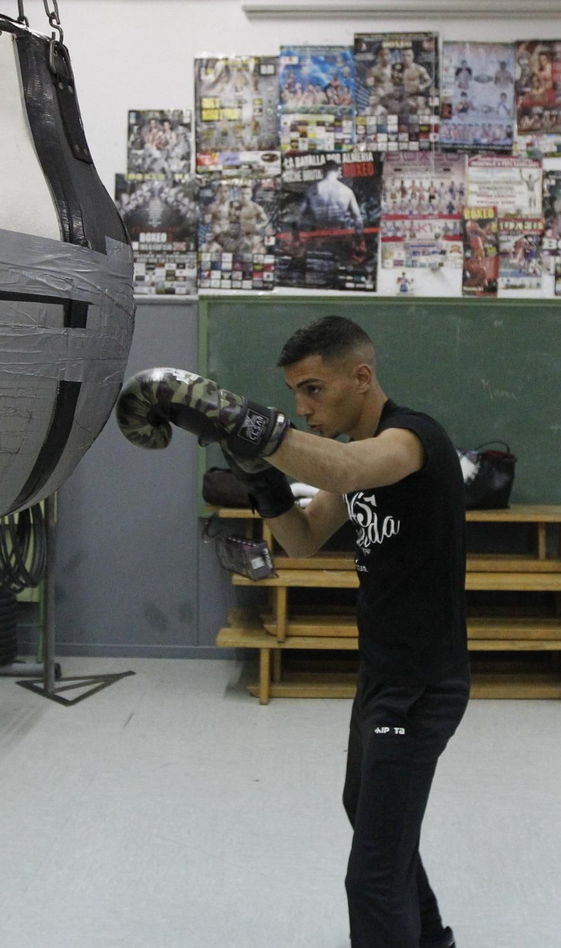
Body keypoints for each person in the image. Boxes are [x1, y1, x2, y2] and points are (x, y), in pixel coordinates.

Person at [115, 318, 470, 948]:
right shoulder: (353, 460)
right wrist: (261, 479)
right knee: (367, 817)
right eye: (295, 394)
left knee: (371, 878)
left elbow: (351, 469)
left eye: (314, 390)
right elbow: (303, 540)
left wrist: (244, 422)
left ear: (362, 377)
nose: (303, 408)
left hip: (421, 686)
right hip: (383, 676)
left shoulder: (412, 440)